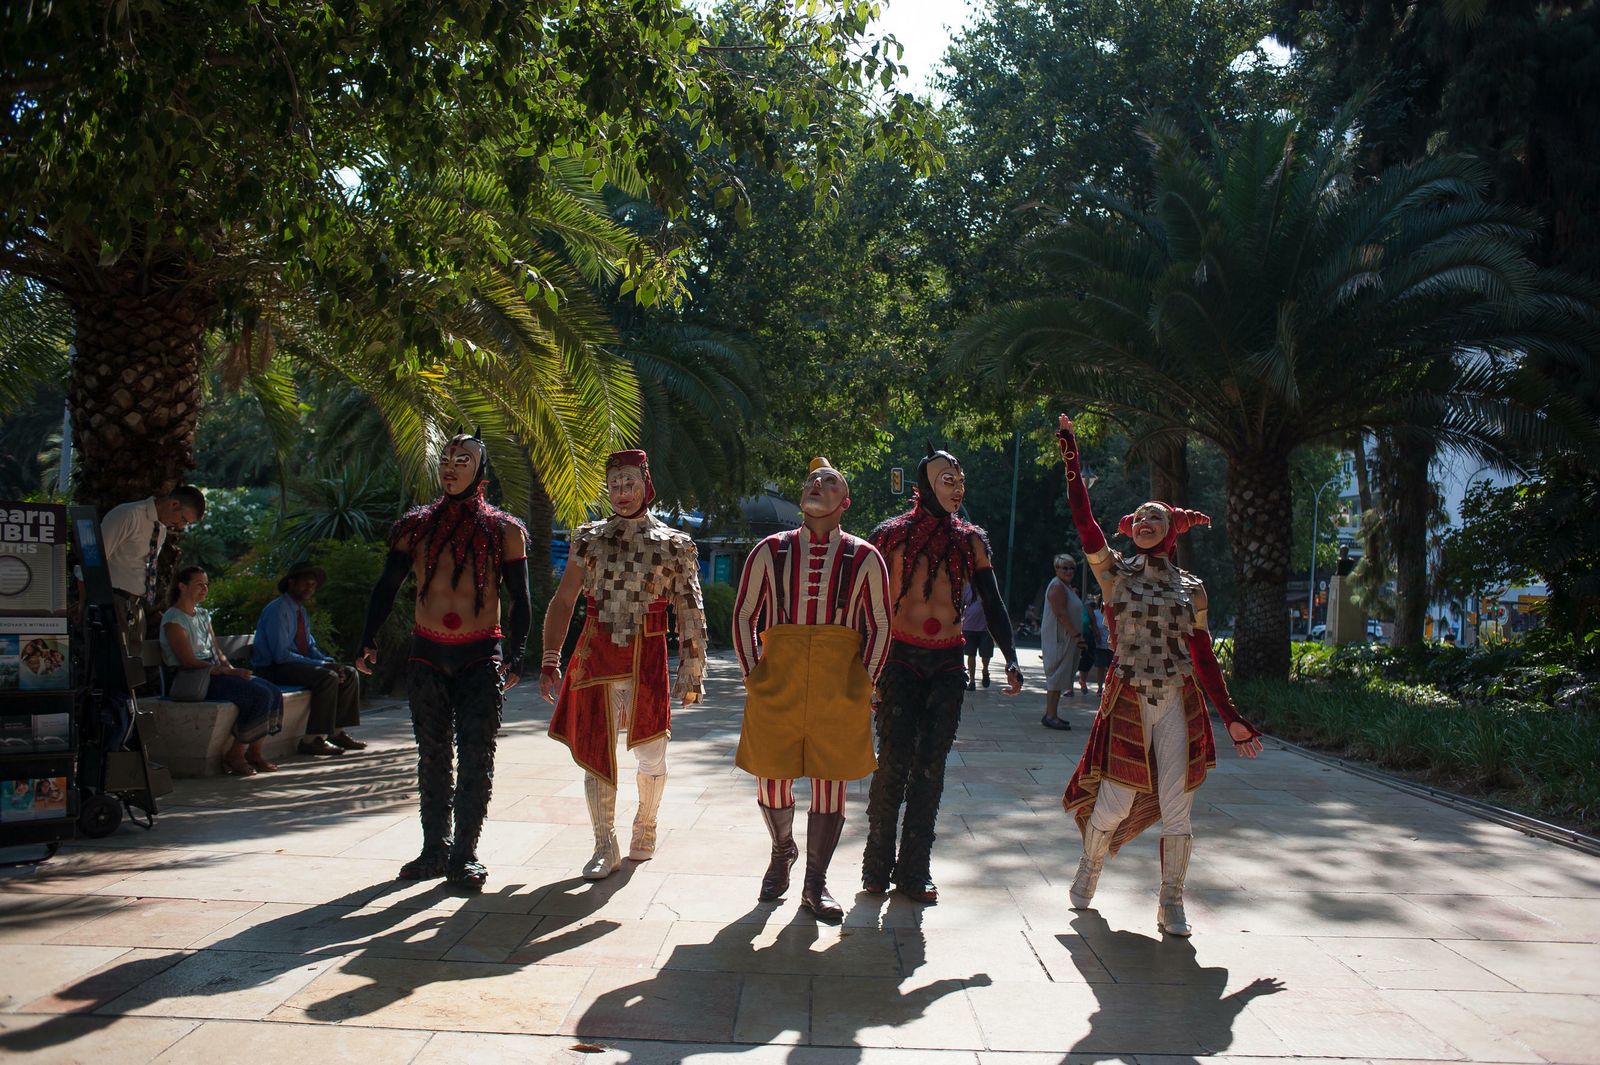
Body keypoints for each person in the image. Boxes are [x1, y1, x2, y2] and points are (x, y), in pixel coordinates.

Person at [1055, 413, 1263, 937]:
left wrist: (1232, 718)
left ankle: (1171, 900)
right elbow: (1085, 523)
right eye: (1139, 517)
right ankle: (1091, 863)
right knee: (1115, 800)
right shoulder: (1113, 574)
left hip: (1178, 700)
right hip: (1127, 697)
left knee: (1179, 803)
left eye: (1156, 518)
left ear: (1170, 531)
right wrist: (1071, 460)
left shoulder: (1193, 590)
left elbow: (1204, 657)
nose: (1145, 522)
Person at [356, 434, 531, 890]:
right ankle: (434, 848)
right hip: (428, 654)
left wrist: (518, 652)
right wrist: (366, 638)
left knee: (477, 756)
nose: (451, 468)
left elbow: (520, 598)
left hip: (479, 656)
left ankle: (464, 854)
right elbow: (387, 585)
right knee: (432, 755)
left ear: (481, 472)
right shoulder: (415, 527)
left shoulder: (504, 530)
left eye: (463, 460)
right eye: (446, 460)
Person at [863, 446, 1024, 904]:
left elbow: (992, 601)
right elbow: (864, 602)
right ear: (926, 483)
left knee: (931, 768)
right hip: (899, 659)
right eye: (947, 480)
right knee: (893, 762)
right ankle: (876, 865)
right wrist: (861, 664)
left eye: (960, 481)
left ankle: (915, 870)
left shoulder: (970, 540)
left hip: (948, 663)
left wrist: (1010, 656)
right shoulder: (889, 535)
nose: (957, 488)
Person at [733, 457, 891, 921]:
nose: (816, 484)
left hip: (839, 679)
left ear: (844, 503)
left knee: (830, 779)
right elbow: (744, 615)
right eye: (812, 479)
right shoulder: (770, 550)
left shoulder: (865, 556)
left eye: (829, 481)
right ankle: (783, 850)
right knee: (771, 772)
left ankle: (815, 882)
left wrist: (865, 680)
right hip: (777, 676)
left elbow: (880, 623)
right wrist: (752, 675)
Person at [541, 449, 706, 881]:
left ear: (646, 484)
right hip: (594, 654)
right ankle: (603, 842)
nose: (622, 493)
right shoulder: (588, 539)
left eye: (630, 483)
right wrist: (550, 657)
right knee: (596, 750)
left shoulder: (674, 544)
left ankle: (646, 824)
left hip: (646, 655)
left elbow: (689, 609)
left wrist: (692, 667)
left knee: (652, 751)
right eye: (614, 485)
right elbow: (564, 600)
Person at [159, 566, 284, 777]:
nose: (204, 589)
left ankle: (255, 752)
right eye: (199, 584)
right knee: (258, 695)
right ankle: (235, 755)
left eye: (206, 585)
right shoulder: (173, 619)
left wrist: (231, 669)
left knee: (272, 691)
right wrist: (226, 673)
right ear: (182, 586)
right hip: (193, 676)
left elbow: (216, 649)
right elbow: (188, 661)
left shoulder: (203, 615)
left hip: (214, 670)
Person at [252, 561, 363, 757]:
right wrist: (323, 665)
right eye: (305, 584)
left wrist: (327, 660)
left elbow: (309, 647)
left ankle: (337, 732)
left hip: (293, 665)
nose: (310, 588)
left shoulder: (300, 611)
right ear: (291, 583)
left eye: (313, 585)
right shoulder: (277, 610)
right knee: (327, 677)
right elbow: (281, 655)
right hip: (273, 668)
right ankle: (312, 739)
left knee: (349, 672)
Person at [97, 485, 205, 684]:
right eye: (183, 519)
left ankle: (126, 710)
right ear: (174, 504)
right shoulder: (128, 515)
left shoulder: (160, 530)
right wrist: (86, 601)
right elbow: (93, 560)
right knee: (112, 667)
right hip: (113, 599)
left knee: (131, 669)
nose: (181, 527)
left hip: (136, 605)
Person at [1040, 555, 1086, 729]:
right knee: (1055, 677)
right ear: (1057, 569)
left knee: (1059, 679)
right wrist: (1076, 636)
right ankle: (1051, 716)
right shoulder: (1057, 587)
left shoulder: (1065, 587)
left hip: (1066, 639)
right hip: (1060, 639)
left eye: (1071, 568)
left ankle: (1052, 714)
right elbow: (1061, 614)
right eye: (1064, 568)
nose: (1068, 571)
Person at [960, 582, 994, 690]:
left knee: (986, 655)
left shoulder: (988, 587)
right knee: (971, 654)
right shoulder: (966, 588)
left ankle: (985, 670)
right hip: (969, 627)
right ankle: (972, 681)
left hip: (986, 628)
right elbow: (960, 605)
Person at [1086, 594, 1112, 695]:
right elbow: (1092, 625)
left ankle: (1109, 688)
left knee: (1111, 668)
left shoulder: (1113, 613)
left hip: (1112, 646)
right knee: (1100, 667)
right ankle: (1100, 688)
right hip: (1100, 645)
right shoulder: (1096, 614)